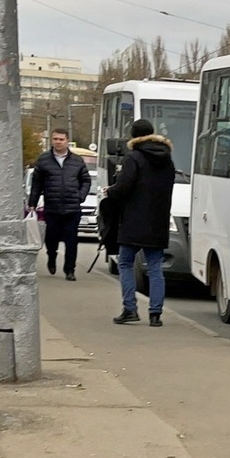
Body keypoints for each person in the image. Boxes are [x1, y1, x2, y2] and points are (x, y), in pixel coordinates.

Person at [102, 119, 176, 327]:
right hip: (158, 221)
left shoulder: (133, 158)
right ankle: (155, 314)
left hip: (134, 220)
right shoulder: (168, 160)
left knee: (125, 262)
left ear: (134, 136)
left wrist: (110, 191)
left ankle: (130, 309)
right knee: (155, 267)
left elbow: (124, 187)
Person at [28, 128, 92, 280]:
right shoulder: (44, 160)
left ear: (67, 141)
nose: (58, 142)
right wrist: (32, 204)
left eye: (61, 139)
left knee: (71, 241)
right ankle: (51, 258)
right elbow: (37, 183)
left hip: (72, 208)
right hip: (52, 207)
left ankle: (70, 270)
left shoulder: (77, 160)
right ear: (52, 140)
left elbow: (86, 181)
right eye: (55, 139)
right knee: (51, 239)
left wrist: (80, 196)